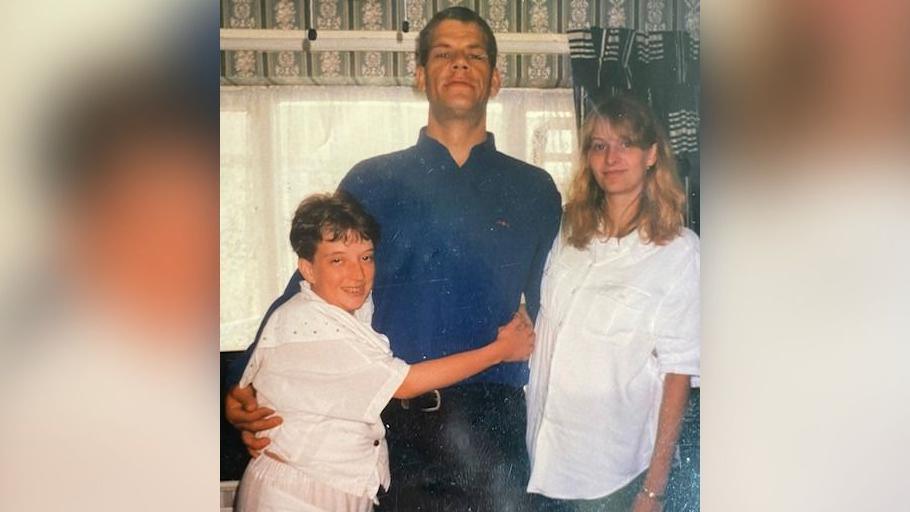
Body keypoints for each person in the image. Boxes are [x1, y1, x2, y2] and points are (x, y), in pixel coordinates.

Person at [225, 6, 563, 511]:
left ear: (495, 79)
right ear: (420, 75)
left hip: (494, 431)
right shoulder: (373, 179)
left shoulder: (533, 189)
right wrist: (240, 386)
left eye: (474, 56)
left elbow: (551, 306)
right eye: (443, 54)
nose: (459, 65)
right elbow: (308, 288)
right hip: (394, 426)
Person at [234, 193, 534, 511]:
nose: (358, 274)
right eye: (337, 260)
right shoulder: (307, 324)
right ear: (307, 269)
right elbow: (404, 382)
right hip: (296, 493)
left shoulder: (343, 310)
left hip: (333, 487)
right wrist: (500, 351)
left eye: (366, 257)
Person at [525, 94, 699, 512]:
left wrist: (653, 491)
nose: (611, 157)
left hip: (613, 478)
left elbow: (678, 375)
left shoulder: (679, 252)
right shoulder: (569, 231)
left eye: (626, 144)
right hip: (542, 459)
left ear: (652, 154)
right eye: (599, 146)